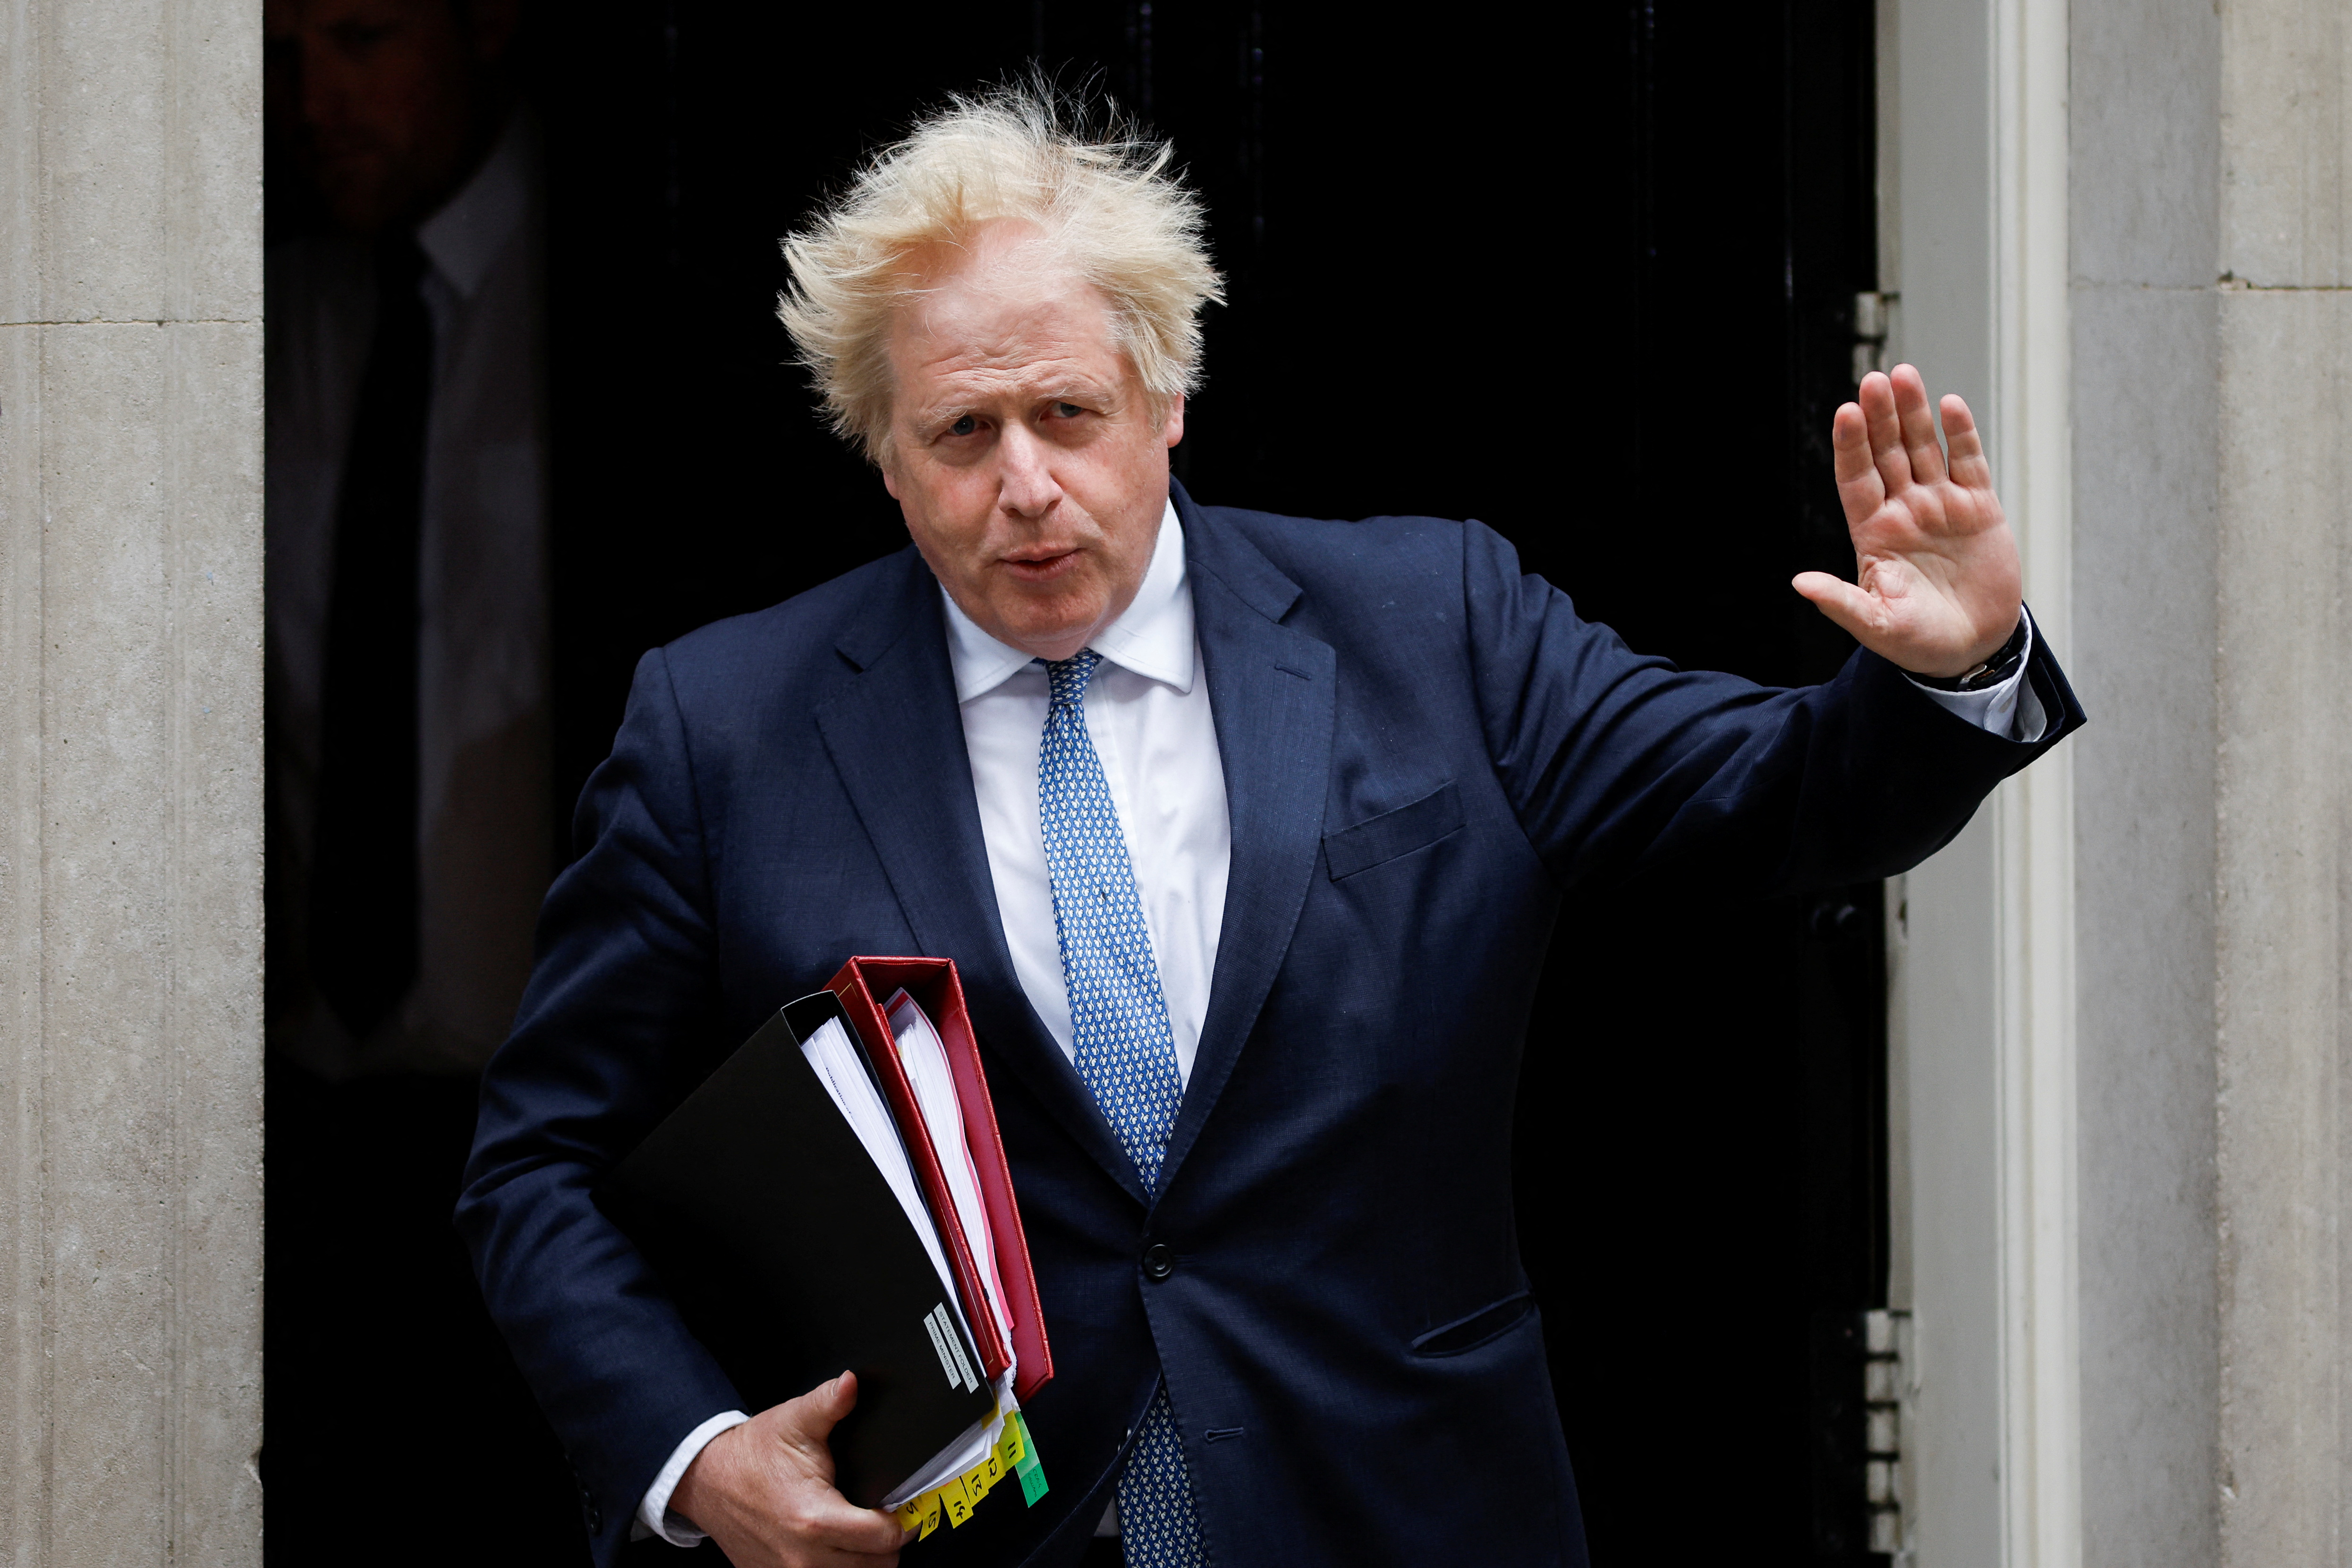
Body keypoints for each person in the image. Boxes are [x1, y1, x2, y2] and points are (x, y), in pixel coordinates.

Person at [459, 86, 2080, 1568]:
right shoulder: (722, 728)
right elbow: (540, 1166)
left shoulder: (1433, 620)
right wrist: (696, 1455)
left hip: (1401, 1511)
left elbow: (1765, 799)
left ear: (1168, 397)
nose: (1024, 482)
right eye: (962, 432)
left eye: (1068, 414)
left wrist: (1947, 675)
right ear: (883, 455)